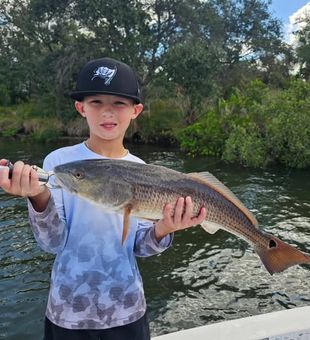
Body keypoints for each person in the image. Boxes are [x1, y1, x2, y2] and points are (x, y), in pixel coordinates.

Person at [0, 57, 206, 340]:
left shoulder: (145, 171)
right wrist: (38, 197)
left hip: (127, 310)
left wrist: (166, 228)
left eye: (119, 103)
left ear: (136, 110)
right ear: (80, 107)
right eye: (96, 101)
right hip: (67, 312)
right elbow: (52, 243)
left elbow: (140, 247)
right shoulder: (60, 163)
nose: (107, 112)